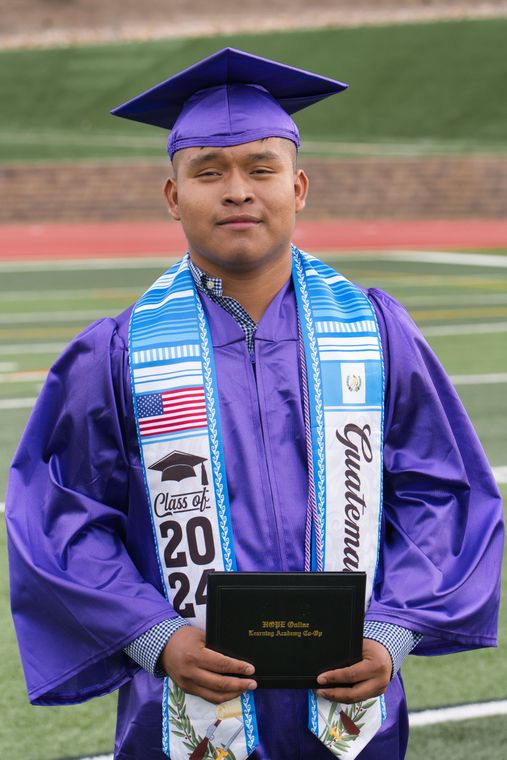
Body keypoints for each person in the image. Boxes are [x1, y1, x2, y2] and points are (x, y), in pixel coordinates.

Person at [6, 48, 503, 760]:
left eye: (260, 169)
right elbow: (59, 520)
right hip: (183, 707)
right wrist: (157, 636)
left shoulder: (371, 331)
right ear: (173, 196)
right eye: (208, 171)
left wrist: (391, 631)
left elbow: (442, 493)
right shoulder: (117, 353)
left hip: (348, 699)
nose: (237, 190)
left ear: (298, 187)